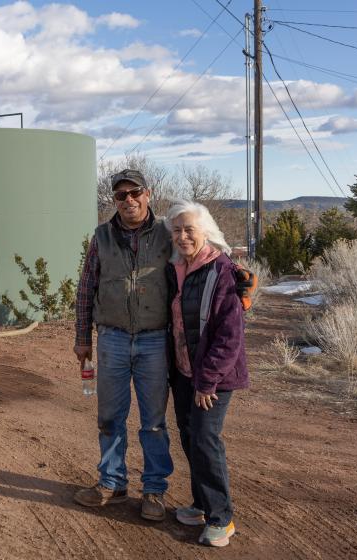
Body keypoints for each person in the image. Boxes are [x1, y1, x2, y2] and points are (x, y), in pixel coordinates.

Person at [73, 169, 173, 521]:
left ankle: (154, 491)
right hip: (112, 338)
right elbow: (86, 287)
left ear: (148, 194)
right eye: (120, 195)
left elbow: (198, 261)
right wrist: (82, 337)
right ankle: (112, 484)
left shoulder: (167, 232)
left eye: (135, 193)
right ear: (113, 200)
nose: (128, 200)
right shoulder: (102, 236)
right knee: (110, 417)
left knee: (154, 422)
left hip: (155, 339)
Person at [165, 200, 249, 548]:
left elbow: (230, 335)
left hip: (212, 377)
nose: (183, 236)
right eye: (177, 230)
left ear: (205, 232)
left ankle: (221, 518)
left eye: (189, 230)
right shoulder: (177, 268)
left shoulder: (222, 270)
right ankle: (201, 505)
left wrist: (207, 380)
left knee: (204, 439)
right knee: (189, 436)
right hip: (185, 371)